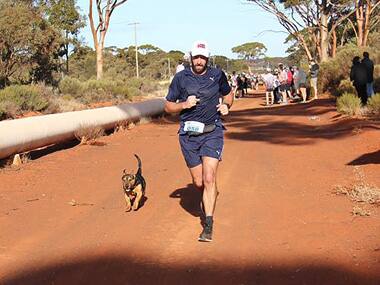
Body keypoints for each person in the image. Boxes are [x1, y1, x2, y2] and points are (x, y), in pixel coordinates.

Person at [164, 40, 233, 242]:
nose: (200, 60)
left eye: (203, 57)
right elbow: (168, 106)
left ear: (208, 58)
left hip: (213, 131)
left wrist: (227, 106)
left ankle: (208, 224)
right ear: (191, 57)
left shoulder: (217, 75)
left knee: (209, 177)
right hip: (188, 136)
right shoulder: (181, 78)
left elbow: (228, 95)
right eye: (196, 57)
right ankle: (209, 192)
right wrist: (184, 104)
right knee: (199, 182)